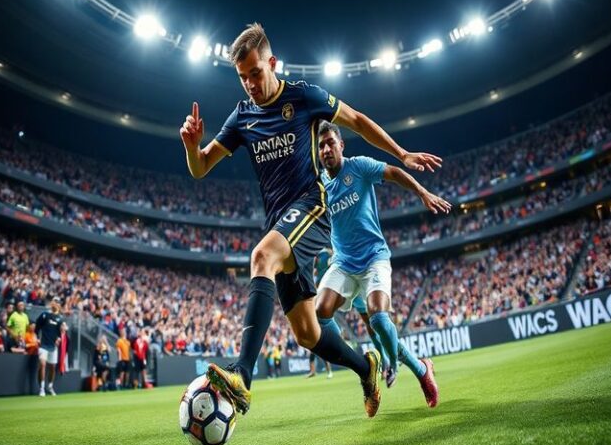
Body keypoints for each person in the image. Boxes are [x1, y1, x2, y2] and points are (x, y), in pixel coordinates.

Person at [180, 22, 443, 417]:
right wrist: (191, 146)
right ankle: (365, 367)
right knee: (306, 333)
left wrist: (401, 153)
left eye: (255, 73)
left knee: (260, 258)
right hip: (281, 223)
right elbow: (200, 168)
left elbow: (355, 119)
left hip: (311, 206)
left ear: (272, 63)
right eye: (242, 77)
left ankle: (242, 378)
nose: (250, 83)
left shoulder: (303, 96)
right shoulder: (241, 117)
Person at [315, 121, 450, 406]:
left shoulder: (359, 166)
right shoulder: (320, 185)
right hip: (343, 263)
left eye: (330, 143)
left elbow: (394, 172)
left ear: (342, 145)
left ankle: (417, 369)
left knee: (378, 317)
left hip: (374, 257)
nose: (326, 149)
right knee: (320, 313)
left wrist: (422, 193)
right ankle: (367, 369)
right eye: (321, 145)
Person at [308, 248, 334, 379]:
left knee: (323, 351)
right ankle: (313, 371)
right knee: (313, 351)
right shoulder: (315, 276)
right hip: (316, 324)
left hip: (320, 324)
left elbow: (331, 252)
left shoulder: (325, 255)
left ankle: (329, 371)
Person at [35, 297, 64, 396]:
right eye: (55, 302)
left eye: (58, 302)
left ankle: (50, 386)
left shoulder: (60, 319)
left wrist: (59, 339)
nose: (56, 304)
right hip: (43, 344)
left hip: (53, 346)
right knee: (42, 364)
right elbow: (37, 327)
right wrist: (37, 338)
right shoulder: (44, 315)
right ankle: (42, 388)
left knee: (52, 367)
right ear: (52, 303)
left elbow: (59, 334)